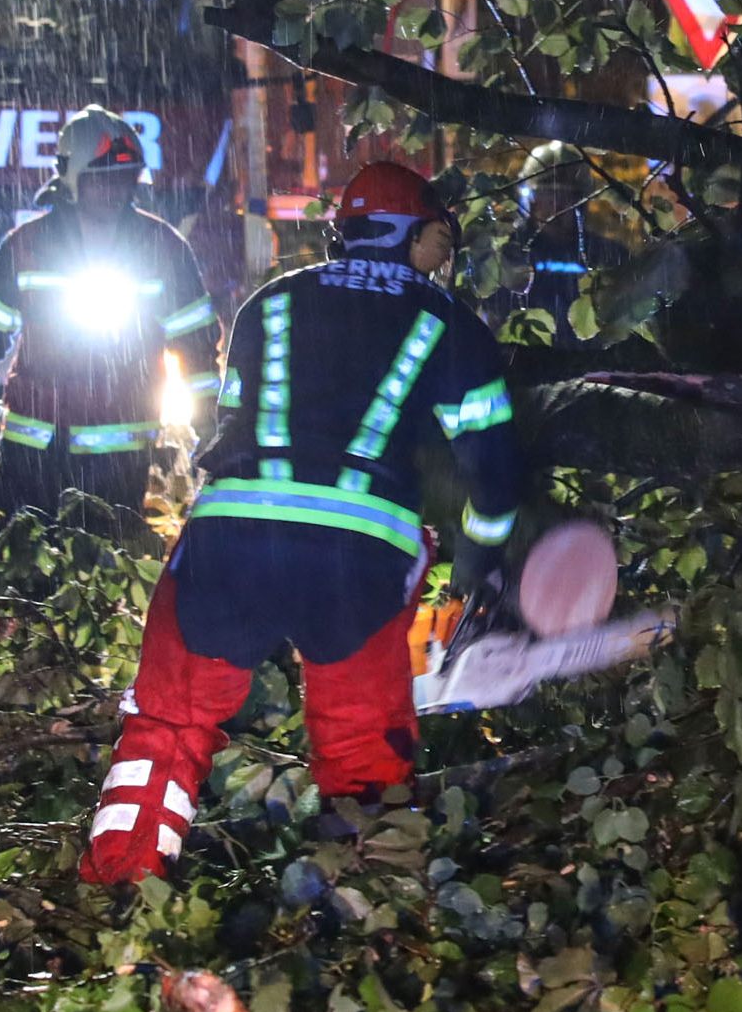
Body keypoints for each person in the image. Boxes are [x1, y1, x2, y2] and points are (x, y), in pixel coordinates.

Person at [78, 160, 523, 882]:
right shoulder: (451, 325)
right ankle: (367, 904)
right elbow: (496, 474)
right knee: (360, 747)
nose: (446, 257)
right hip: (358, 560)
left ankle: (119, 887)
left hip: (227, 538)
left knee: (168, 725)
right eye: (443, 238)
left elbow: (234, 425)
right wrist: (478, 565)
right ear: (414, 232)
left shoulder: (269, 303)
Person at [0, 107, 218, 520]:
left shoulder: (163, 249)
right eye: (101, 177)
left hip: (117, 468)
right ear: (71, 179)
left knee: (102, 576)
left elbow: (196, 348)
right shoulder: (26, 246)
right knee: (17, 574)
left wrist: (215, 430)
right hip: (28, 461)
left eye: (123, 177)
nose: (114, 189)